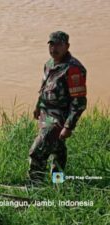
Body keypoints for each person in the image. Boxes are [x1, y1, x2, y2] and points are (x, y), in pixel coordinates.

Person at [28, 31, 87, 183]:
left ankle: (35, 187)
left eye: (58, 44)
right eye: (51, 44)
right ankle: (58, 182)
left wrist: (69, 126)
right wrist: (38, 106)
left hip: (59, 117)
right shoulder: (49, 64)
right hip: (45, 113)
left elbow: (79, 101)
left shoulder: (73, 68)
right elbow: (44, 87)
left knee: (37, 151)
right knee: (57, 149)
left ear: (67, 46)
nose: (54, 48)